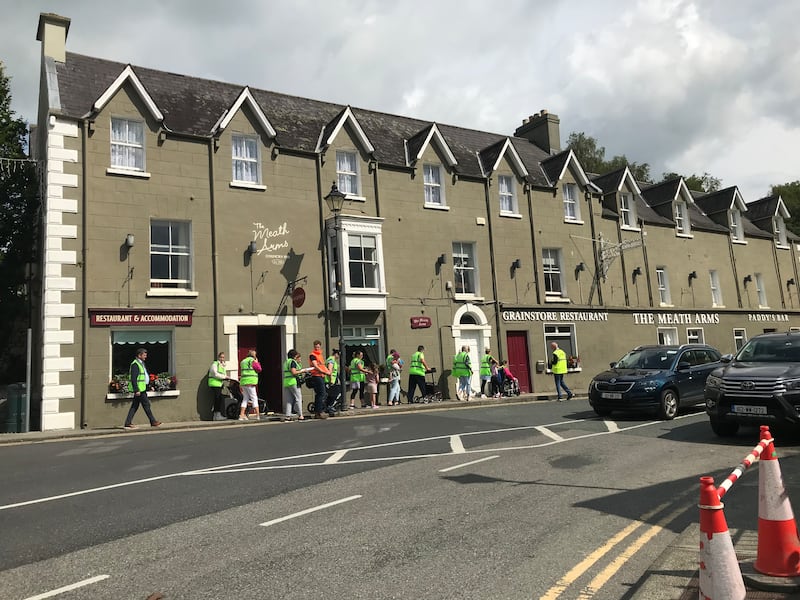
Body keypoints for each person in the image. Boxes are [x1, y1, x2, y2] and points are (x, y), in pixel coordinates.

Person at [124, 348, 161, 429]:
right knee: (146, 404)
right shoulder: (135, 364)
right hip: (139, 390)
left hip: (142, 388)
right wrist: (136, 390)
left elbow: (143, 378)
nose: (145, 357)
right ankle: (153, 421)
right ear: (139, 355)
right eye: (144, 355)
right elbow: (134, 378)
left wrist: (149, 386)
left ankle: (128, 422)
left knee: (135, 406)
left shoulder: (141, 363)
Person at [309, 340, 331, 419]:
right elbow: (316, 366)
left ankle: (317, 412)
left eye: (318, 347)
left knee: (319, 394)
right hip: (316, 376)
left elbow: (322, 365)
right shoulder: (313, 355)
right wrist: (325, 372)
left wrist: (327, 371)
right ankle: (319, 412)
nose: (317, 348)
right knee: (321, 393)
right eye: (315, 347)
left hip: (321, 376)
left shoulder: (320, 355)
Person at [282, 349, 307, 421]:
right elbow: (294, 372)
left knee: (289, 400)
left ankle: (288, 416)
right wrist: (302, 371)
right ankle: (301, 415)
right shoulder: (292, 362)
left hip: (286, 382)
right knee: (298, 398)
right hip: (293, 382)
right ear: (294, 356)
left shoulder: (286, 362)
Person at [239, 349, 262, 420]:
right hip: (250, 382)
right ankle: (258, 415)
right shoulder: (252, 361)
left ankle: (241, 415)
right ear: (253, 355)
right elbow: (259, 369)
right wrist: (257, 362)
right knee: (254, 398)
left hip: (243, 382)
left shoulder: (243, 361)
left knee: (245, 398)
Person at [208, 352, 228, 421]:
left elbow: (223, 374)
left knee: (219, 399)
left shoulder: (222, 365)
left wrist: (225, 377)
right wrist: (224, 377)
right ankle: (216, 415)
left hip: (219, 384)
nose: (222, 358)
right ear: (218, 357)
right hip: (214, 384)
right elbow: (215, 374)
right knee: (217, 399)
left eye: (223, 357)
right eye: (221, 357)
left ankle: (217, 415)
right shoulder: (215, 364)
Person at [325, 348, 341, 415]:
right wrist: (331, 379)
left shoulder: (333, 360)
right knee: (334, 394)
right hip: (330, 380)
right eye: (339, 355)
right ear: (336, 354)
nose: (339, 357)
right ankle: (329, 406)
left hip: (333, 380)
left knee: (332, 394)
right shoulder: (331, 360)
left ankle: (328, 406)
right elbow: (330, 369)